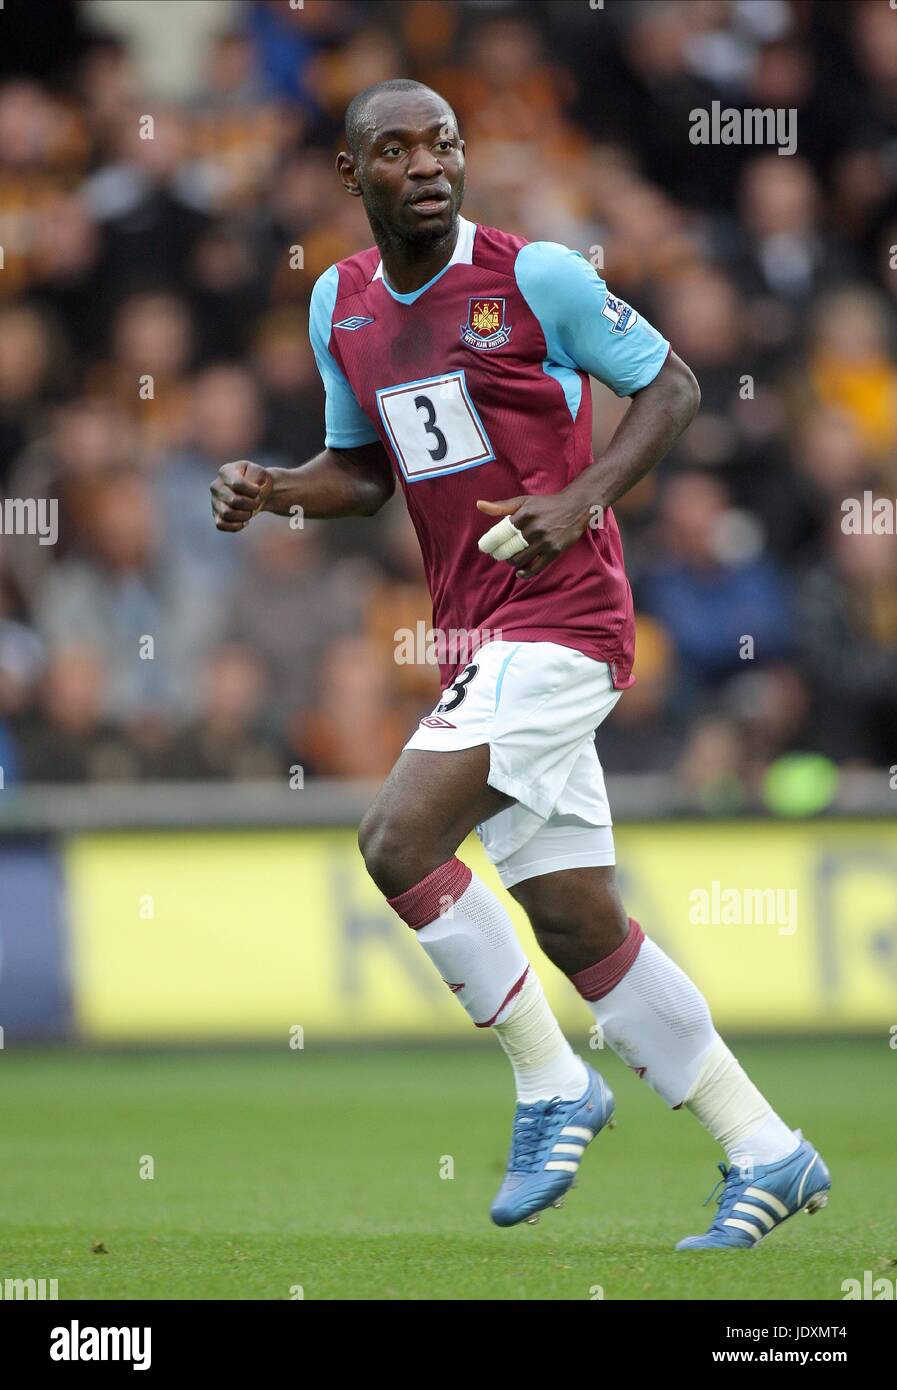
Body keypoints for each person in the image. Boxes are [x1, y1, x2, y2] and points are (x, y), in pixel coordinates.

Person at [210, 79, 830, 1247]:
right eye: (396, 151)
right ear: (354, 178)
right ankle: (768, 1148)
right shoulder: (339, 304)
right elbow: (364, 470)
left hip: (567, 624)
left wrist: (578, 495)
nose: (429, 166)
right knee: (579, 921)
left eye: (443, 143)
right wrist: (274, 489)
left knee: (397, 839)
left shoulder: (534, 276)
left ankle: (553, 1085)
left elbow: (675, 386)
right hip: (474, 635)